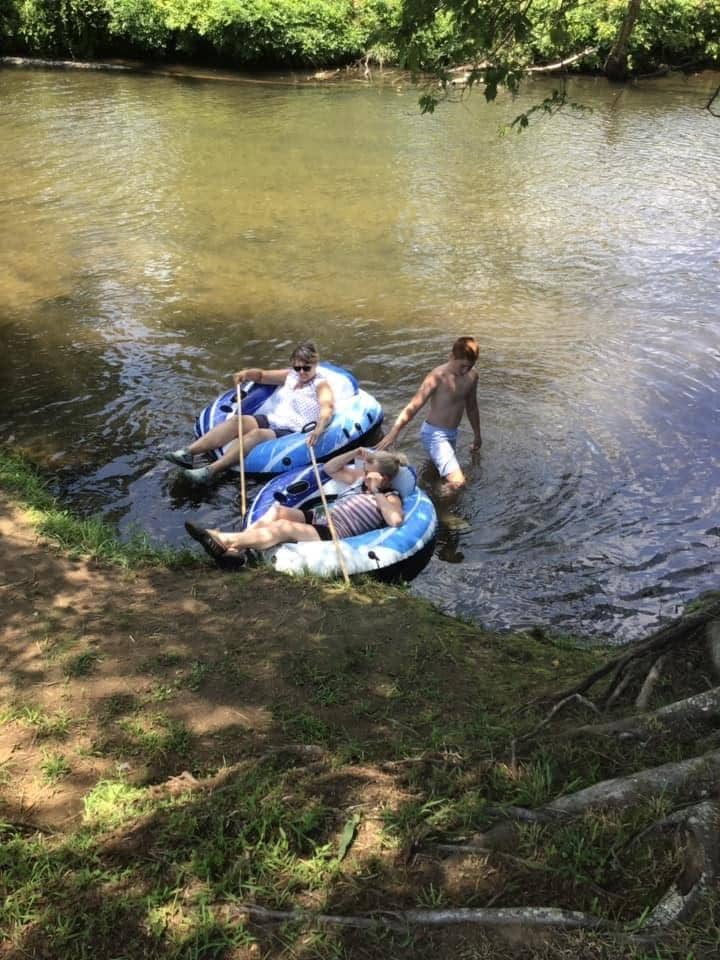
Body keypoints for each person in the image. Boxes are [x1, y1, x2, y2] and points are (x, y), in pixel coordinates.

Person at [184, 447, 406, 561]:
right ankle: (236, 549)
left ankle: (225, 540)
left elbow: (395, 521)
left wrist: (376, 491)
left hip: (334, 531)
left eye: (369, 472)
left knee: (283, 528)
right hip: (320, 517)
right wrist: (355, 453)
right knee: (279, 510)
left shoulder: (390, 496)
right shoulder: (358, 480)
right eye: (364, 469)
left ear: (384, 478)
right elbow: (330, 469)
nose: (364, 474)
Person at [164, 340, 335, 485]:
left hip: (293, 428)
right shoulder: (291, 376)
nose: (302, 372)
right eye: (298, 368)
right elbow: (261, 376)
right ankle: (188, 453)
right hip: (274, 418)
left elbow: (327, 406)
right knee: (238, 422)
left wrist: (320, 426)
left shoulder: (320, 384)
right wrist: (245, 374)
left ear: (315, 364)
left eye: (306, 368)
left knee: (256, 434)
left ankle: (211, 471)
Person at [377, 336, 482, 490]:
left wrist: (477, 435)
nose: (465, 371)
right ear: (451, 357)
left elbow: (472, 407)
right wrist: (394, 433)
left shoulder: (472, 376)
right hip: (434, 435)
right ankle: (439, 506)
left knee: (436, 471)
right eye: (462, 366)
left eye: (470, 366)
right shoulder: (437, 377)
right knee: (458, 482)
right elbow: (413, 406)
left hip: (452, 434)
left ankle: (427, 486)